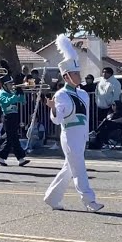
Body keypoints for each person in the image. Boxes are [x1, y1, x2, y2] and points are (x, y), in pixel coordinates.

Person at [44, 34, 104, 212]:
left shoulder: (83, 94)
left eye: (79, 73)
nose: (79, 76)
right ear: (66, 76)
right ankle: (89, 200)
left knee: (69, 169)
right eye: (75, 73)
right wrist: (53, 108)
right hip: (69, 136)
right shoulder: (61, 95)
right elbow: (58, 118)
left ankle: (52, 198)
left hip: (81, 136)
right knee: (79, 169)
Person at [0, 69, 30, 167]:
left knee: (14, 138)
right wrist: (15, 94)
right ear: (4, 85)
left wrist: (21, 92)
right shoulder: (2, 93)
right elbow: (7, 101)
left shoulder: (11, 92)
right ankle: (2, 156)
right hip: (8, 117)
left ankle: (20, 159)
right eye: (9, 84)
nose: (12, 86)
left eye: (12, 84)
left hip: (14, 116)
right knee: (11, 138)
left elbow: (23, 102)